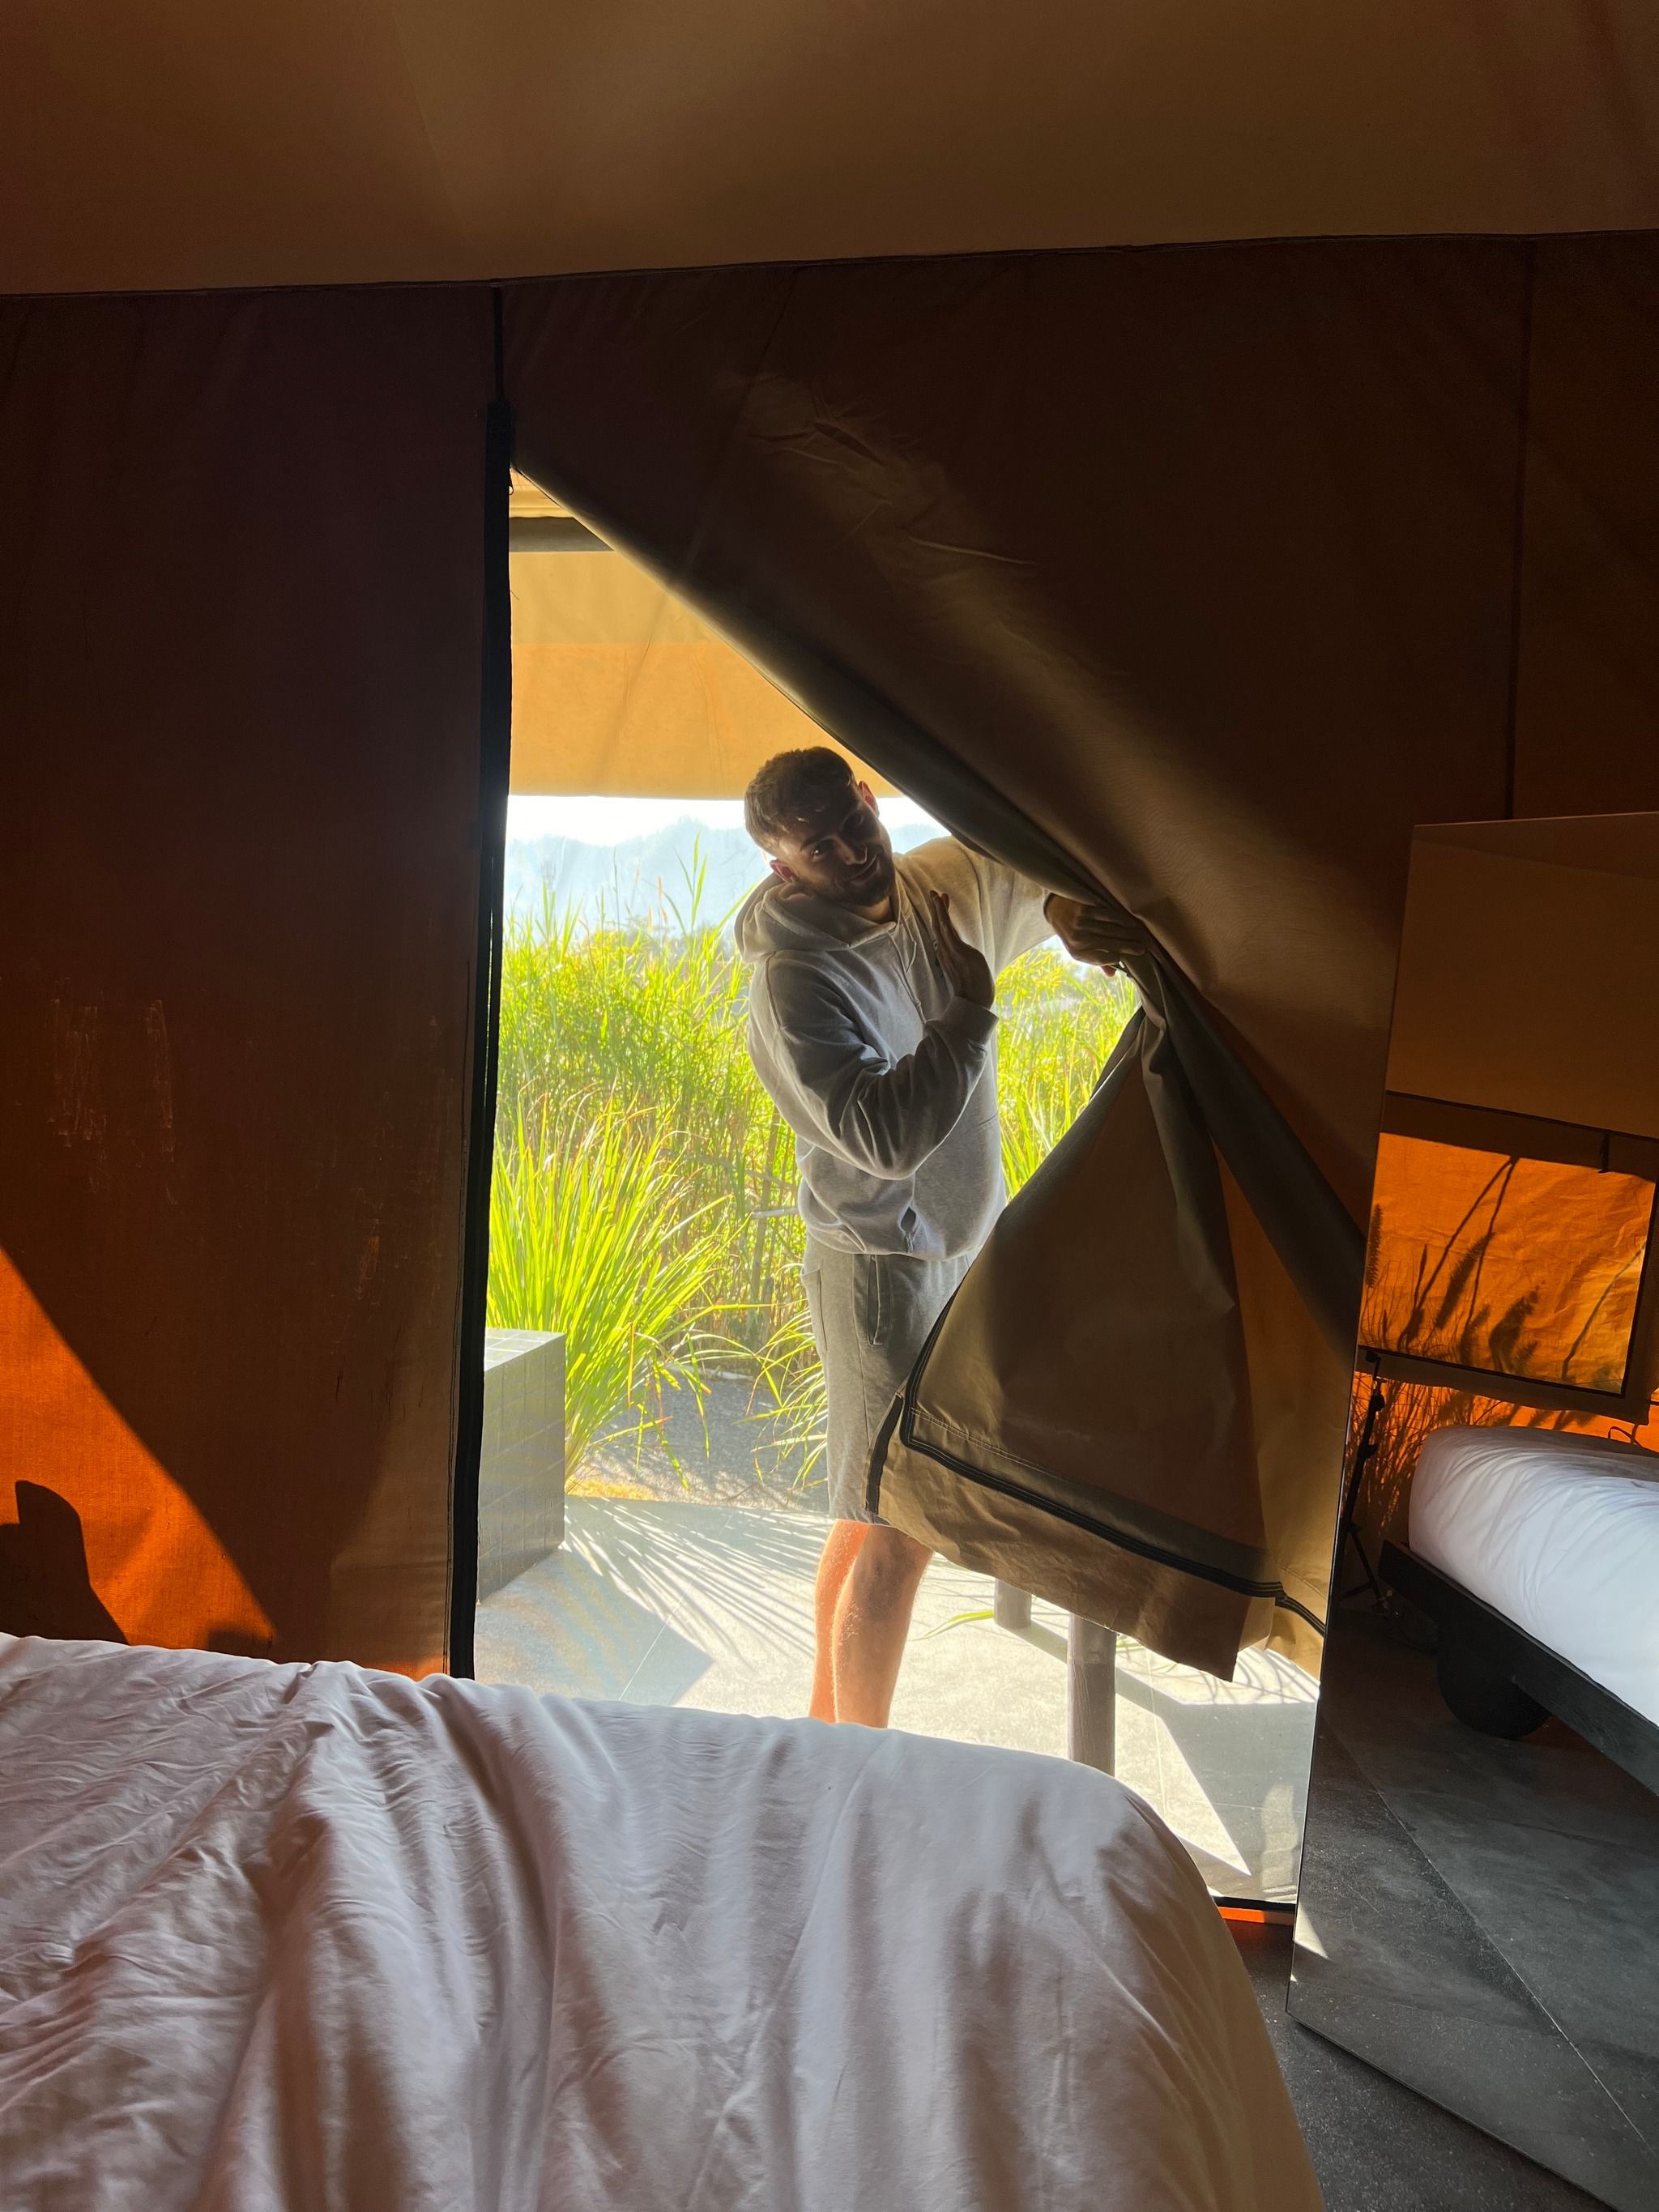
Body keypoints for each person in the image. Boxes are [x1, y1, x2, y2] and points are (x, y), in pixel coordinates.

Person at [735, 747, 1132, 1728]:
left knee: (868, 1506)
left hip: (955, 1247)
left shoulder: (929, 886)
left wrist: (1063, 909)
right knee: (902, 1525)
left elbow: (1017, 870)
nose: (849, 853)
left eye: (853, 824)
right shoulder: (793, 980)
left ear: (870, 800)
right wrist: (966, 1016)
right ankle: (858, 1759)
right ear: (783, 866)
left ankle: (825, 1733)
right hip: (875, 1271)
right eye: (818, 848)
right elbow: (882, 1137)